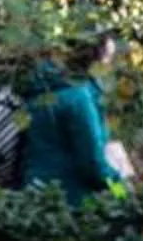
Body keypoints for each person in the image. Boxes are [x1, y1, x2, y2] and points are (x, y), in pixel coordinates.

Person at [18, 36, 132, 202]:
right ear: (94, 59)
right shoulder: (78, 99)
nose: (109, 65)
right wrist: (122, 193)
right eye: (107, 58)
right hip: (68, 201)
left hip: (33, 192)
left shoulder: (41, 87)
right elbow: (93, 167)